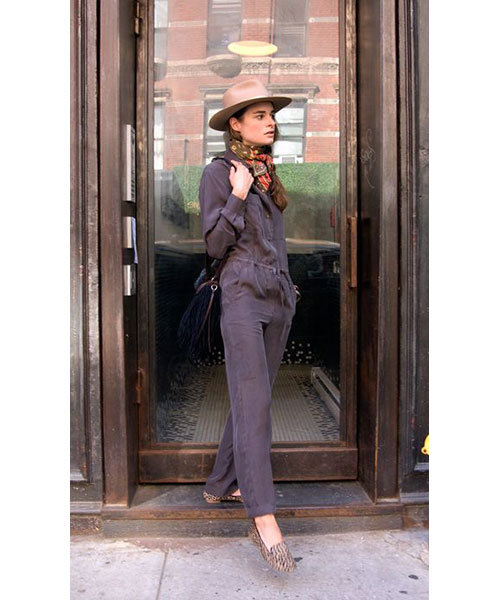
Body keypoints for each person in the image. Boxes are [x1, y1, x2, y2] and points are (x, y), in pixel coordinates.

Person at [200, 79, 299, 572]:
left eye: (271, 114)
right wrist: (237, 196)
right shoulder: (221, 174)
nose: (270, 122)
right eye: (259, 115)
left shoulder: (266, 173)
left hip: (278, 299)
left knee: (250, 398)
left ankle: (222, 483)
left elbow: (274, 244)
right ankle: (263, 517)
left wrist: (289, 289)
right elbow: (215, 245)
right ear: (235, 124)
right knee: (255, 403)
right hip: (242, 300)